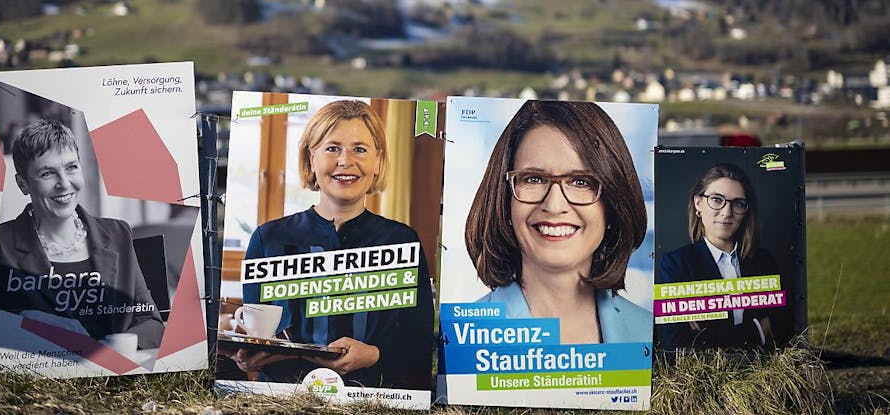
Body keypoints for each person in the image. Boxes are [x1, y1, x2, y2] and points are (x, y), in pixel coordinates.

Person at [232, 100, 434, 389]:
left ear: (377, 161)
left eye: (360, 149)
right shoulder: (268, 239)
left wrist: (375, 354)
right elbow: (255, 335)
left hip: (375, 399)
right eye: (332, 148)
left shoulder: (402, 241)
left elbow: (420, 345)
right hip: (283, 397)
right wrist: (247, 355)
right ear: (311, 159)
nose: (345, 161)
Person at [466, 100, 651, 344]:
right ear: (504, 201)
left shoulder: (651, 334)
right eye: (533, 179)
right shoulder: (463, 337)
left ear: (613, 204)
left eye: (581, 182)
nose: (554, 206)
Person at [0, 119, 164, 350]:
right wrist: (29, 322)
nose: (64, 183)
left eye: (72, 167)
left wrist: (118, 347)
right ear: (23, 184)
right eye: (47, 173)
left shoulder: (118, 233)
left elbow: (151, 322)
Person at [658, 163, 793, 350]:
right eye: (716, 200)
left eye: (738, 204)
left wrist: (707, 335)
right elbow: (678, 342)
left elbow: (782, 326)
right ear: (698, 203)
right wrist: (758, 330)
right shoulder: (676, 264)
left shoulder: (764, 261)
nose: (727, 212)